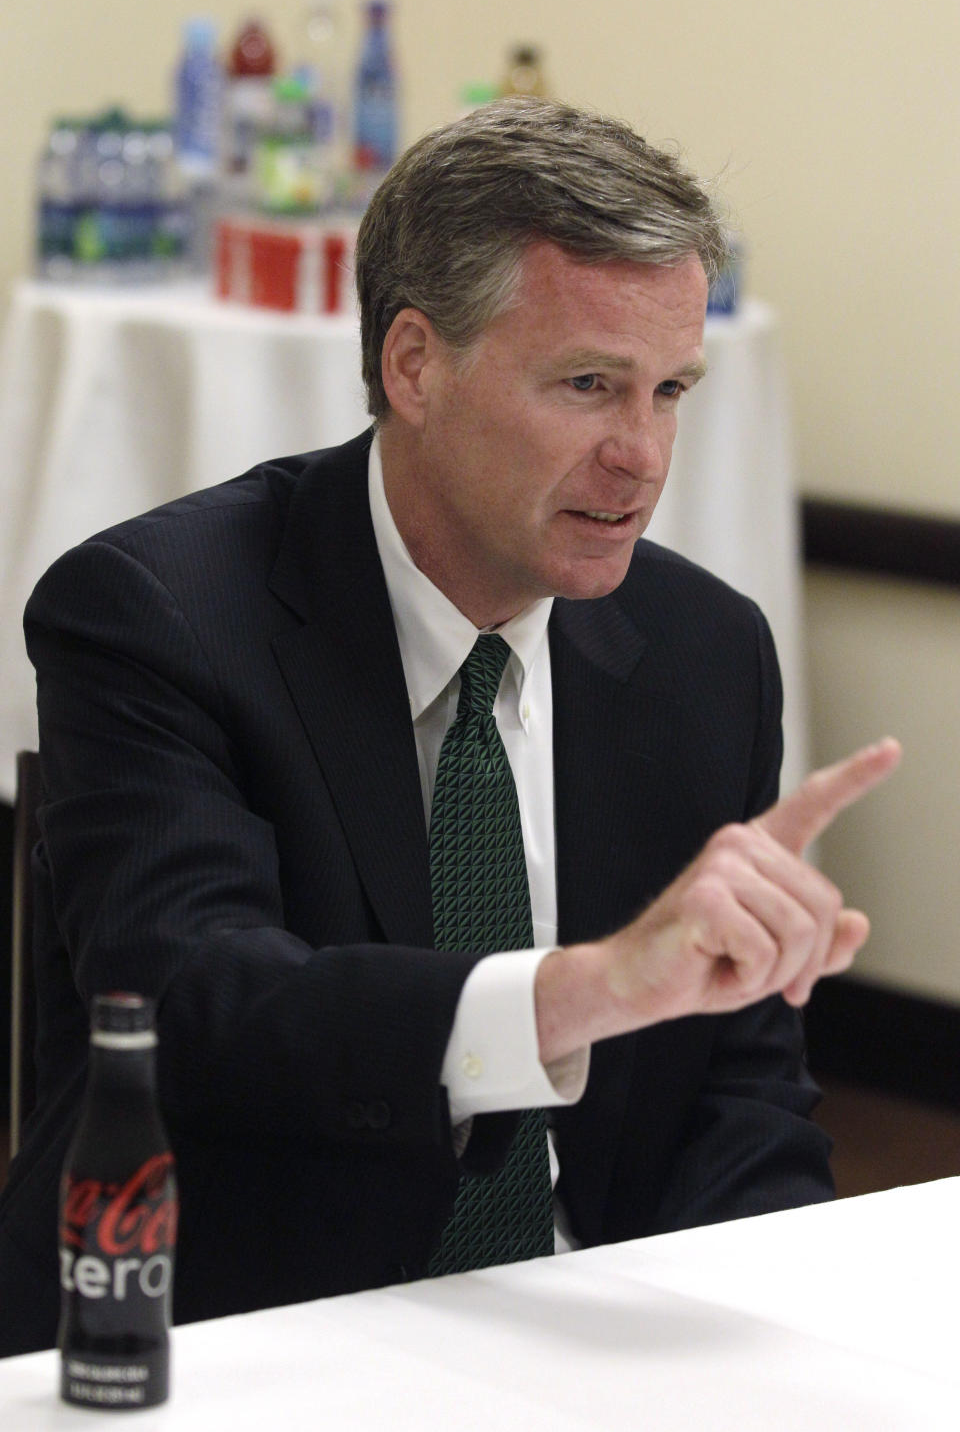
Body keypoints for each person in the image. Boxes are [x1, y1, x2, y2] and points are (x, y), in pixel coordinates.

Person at [0, 98, 899, 1355]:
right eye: (588, 384)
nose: (643, 455)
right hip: (251, 1341)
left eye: (670, 389)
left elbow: (740, 1094)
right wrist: (575, 993)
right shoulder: (159, 612)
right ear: (413, 364)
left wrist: (777, 1347)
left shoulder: (705, 651)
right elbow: (192, 1000)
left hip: (586, 1334)